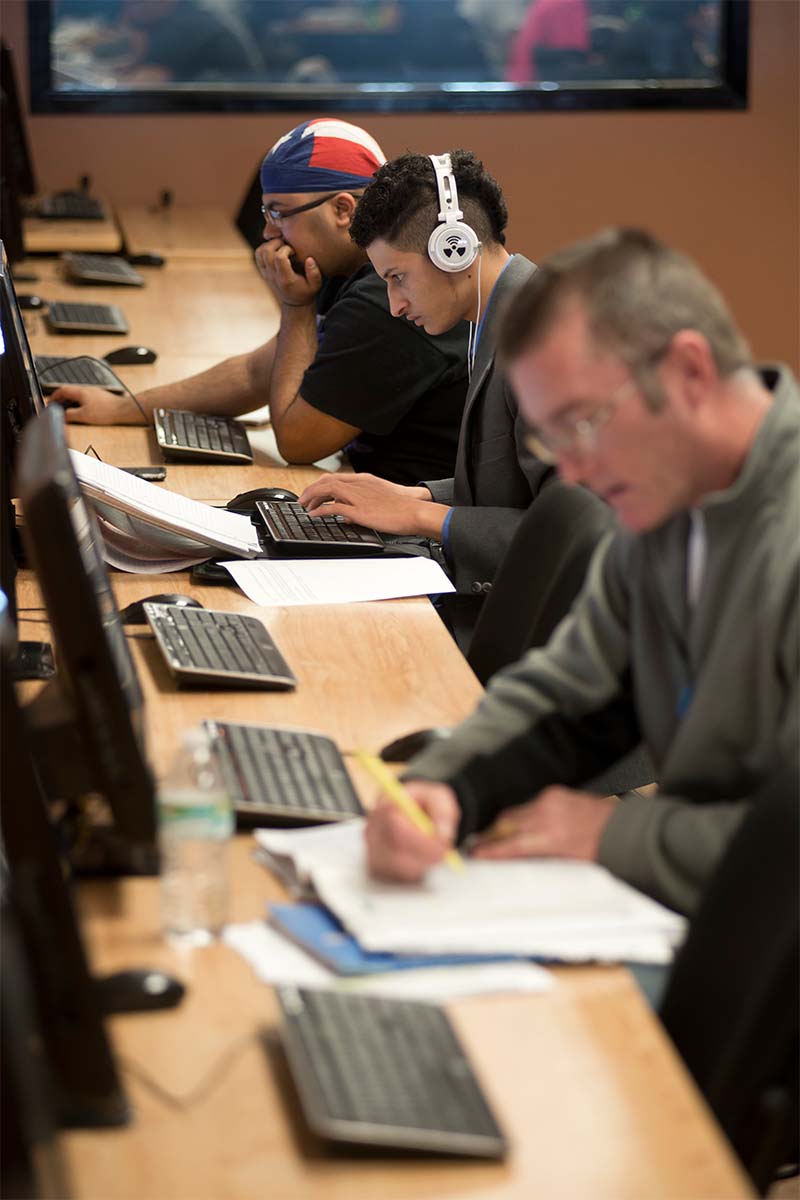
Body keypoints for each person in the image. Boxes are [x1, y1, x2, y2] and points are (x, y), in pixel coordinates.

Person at [364, 227, 799, 916]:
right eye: (548, 437)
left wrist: (616, 833)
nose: (569, 472)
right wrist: (448, 786)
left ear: (689, 372)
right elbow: (574, 690)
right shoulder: (670, 503)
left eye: (582, 424)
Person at [50, 119, 469, 486]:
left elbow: (296, 441)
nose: (269, 234)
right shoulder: (343, 268)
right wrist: (123, 408)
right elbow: (256, 372)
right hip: (371, 491)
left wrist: (295, 307)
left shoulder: (385, 299)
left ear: (343, 210)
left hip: (416, 535)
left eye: (278, 213)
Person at [298, 149, 555, 646]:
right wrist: (415, 495)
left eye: (398, 278)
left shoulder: (547, 344)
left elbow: (569, 540)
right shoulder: (500, 319)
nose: (394, 306)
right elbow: (513, 485)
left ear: (454, 249)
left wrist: (420, 518)